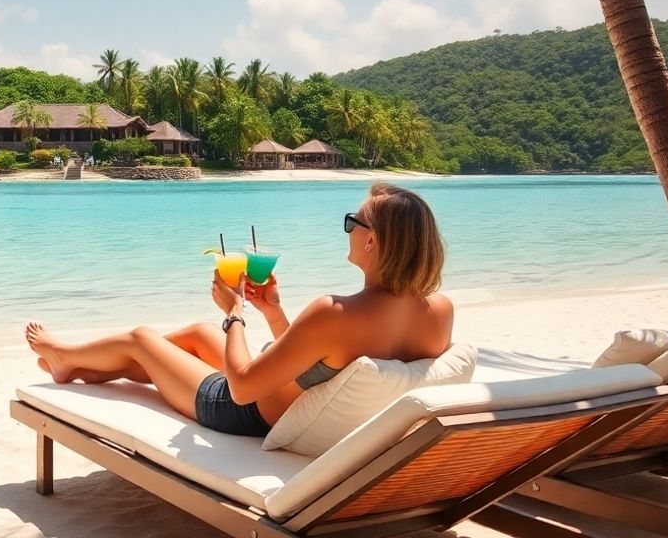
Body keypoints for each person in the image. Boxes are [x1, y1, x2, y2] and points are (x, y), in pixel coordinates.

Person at [25, 183, 453, 437]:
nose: (348, 232)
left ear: (372, 241)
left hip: (244, 411)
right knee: (194, 333)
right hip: (295, 399)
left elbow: (243, 388)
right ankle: (80, 367)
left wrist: (234, 313)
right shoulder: (439, 312)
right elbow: (327, 363)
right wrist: (273, 311)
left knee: (141, 338)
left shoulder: (335, 312)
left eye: (351, 223)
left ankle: (68, 357)